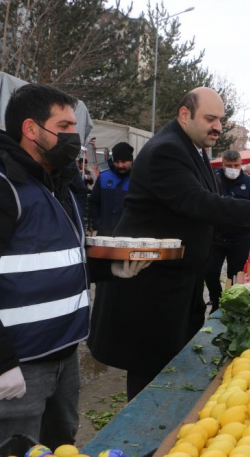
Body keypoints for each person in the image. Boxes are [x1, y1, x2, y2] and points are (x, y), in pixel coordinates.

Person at [88, 87, 250, 401]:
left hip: (175, 282)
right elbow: (197, 202)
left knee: (170, 372)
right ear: (184, 114)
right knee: (150, 380)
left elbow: (209, 202)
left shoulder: (192, 149)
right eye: (209, 118)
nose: (217, 126)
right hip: (150, 285)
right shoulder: (167, 149)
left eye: (220, 119)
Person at [0, 84, 148, 446]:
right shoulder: (6, 187)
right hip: (21, 365)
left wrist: (105, 270)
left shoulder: (59, 185)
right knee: (19, 447)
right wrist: (2, 362)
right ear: (31, 129)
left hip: (65, 354)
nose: (74, 136)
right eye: (64, 127)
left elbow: (58, 258)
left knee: (62, 443)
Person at [205, 150, 250, 313]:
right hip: (216, 237)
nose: (232, 168)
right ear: (222, 164)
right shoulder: (213, 180)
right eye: (229, 166)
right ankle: (216, 299)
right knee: (210, 271)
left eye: (236, 165)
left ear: (241, 164)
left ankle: (230, 306)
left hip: (240, 238)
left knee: (235, 274)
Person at [89, 142, 134, 236]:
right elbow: (93, 202)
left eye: (124, 162)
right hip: (105, 234)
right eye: (117, 162)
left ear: (131, 161)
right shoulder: (103, 177)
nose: (120, 165)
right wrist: (97, 223)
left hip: (129, 236)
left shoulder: (137, 180)